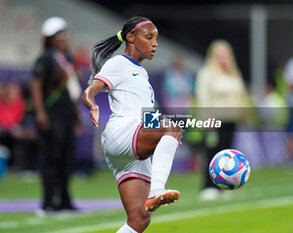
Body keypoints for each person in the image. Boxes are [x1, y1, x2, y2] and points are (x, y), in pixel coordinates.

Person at [81, 17, 183, 233]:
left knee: (139, 220)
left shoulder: (141, 73)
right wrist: (92, 104)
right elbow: (90, 89)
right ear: (130, 37)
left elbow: (143, 112)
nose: (155, 43)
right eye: (149, 37)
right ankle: (157, 190)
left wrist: (167, 136)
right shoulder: (118, 63)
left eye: (156, 39)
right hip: (123, 132)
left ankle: (155, 192)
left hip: (129, 150)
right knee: (171, 127)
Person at [31, 17, 81, 213]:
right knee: (50, 157)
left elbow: (72, 89)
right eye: (59, 35)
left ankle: (65, 200)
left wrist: (77, 116)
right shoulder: (44, 59)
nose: (64, 38)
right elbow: (36, 86)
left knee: (67, 158)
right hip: (51, 114)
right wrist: (40, 113)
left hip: (68, 114)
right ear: (50, 39)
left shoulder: (68, 58)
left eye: (65, 34)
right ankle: (48, 201)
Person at [195, 39, 249, 200]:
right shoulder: (207, 73)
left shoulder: (234, 73)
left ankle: (223, 185)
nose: (222, 57)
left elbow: (241, 95)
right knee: (213, 152)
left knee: (227, 154)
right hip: (215, 119)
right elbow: (203, 96)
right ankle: (208, 186)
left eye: (225, 53)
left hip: (231, 119)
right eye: (219, 54)